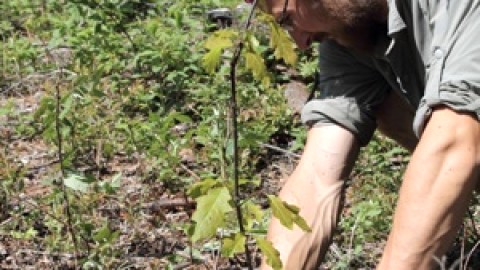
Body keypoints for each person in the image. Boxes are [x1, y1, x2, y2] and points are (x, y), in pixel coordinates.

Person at [257, 0, 480, 269]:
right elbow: (318, 177)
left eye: (288, 20)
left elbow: (455, 139)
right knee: (387, 106)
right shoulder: (351, 32)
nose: (300, 42)